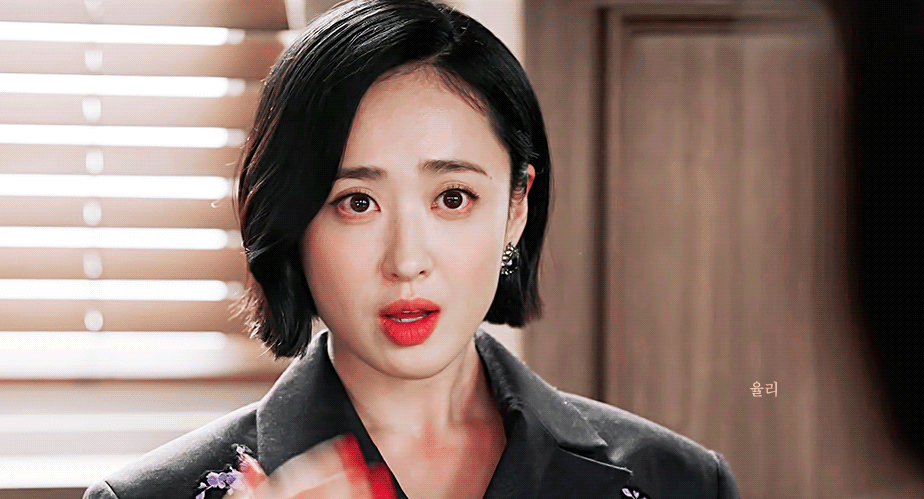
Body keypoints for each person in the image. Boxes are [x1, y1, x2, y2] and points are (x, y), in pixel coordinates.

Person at [83, 1, 741, 498]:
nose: (406, 261)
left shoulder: (679, 481)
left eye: (452, 197)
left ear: (516, 208)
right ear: (294, 220)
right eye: (356, 202)